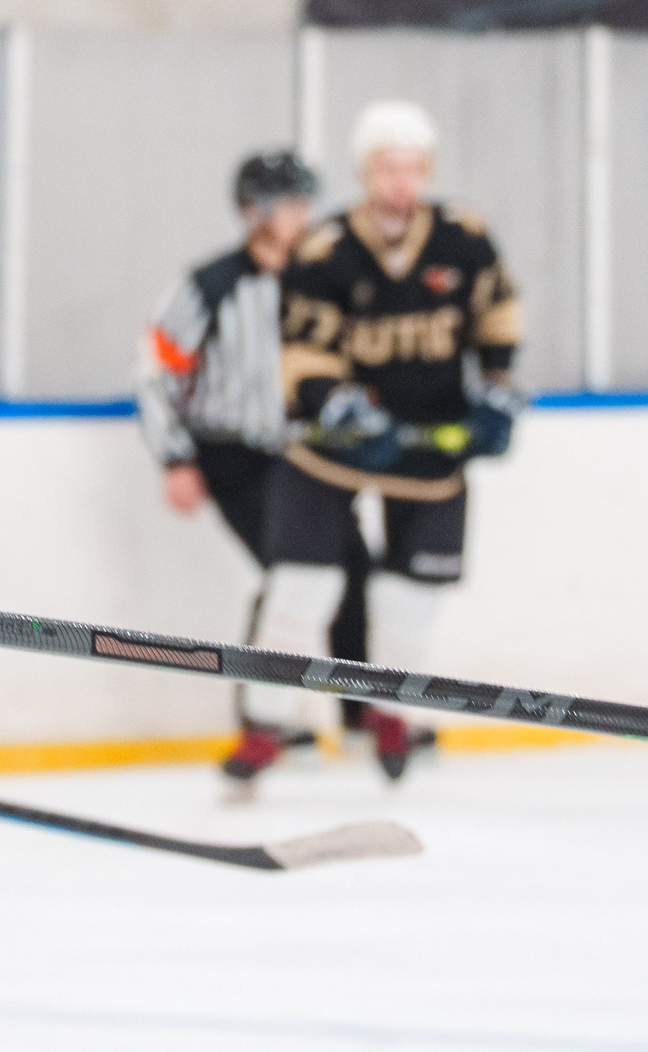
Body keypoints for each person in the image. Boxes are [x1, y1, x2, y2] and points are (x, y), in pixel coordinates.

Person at [223, 100, 525, 788]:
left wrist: (498, 387)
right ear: (366, 171)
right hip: (333, 446)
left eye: (413, 167)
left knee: (410, 597)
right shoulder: (325, 248)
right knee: (303, 586)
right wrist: (338, 403)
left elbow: (499, 314)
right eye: (389, 167)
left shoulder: (464, 237)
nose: (402, 180)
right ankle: (267, 723)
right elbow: (301, 350)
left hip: (431, 447)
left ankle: (392, 714)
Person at [137, 152, 374, 747]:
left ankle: (360, 714)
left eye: (305, 202)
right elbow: (155, 374)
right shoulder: (210, 285)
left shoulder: (326, 279)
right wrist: (175, 458)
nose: (302, 216)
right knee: (291, 573)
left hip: (308, 455)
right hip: (234, 455)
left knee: (351, 569)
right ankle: (266, 720)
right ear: (254, 211)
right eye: (289, 204)